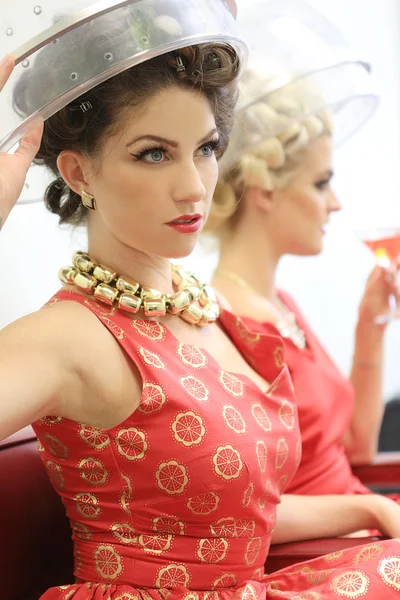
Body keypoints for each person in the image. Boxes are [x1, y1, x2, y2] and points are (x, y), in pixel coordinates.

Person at [1, 12, 400, 598]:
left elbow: (229, 520)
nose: (194, 186)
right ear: (79, 171)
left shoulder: (207, 309)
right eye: (154, 154)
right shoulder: (68, 336)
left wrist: (372, 514)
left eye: (207, 147)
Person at [208, 69, 400, 507]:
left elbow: (356, 449)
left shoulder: (281, 305)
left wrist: (369, 326)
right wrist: (369, 511)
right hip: (325, 553)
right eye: (321, 183)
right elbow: (248, 504)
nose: (336, 203)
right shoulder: (227, 323)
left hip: (365, 530)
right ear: (265, 190)